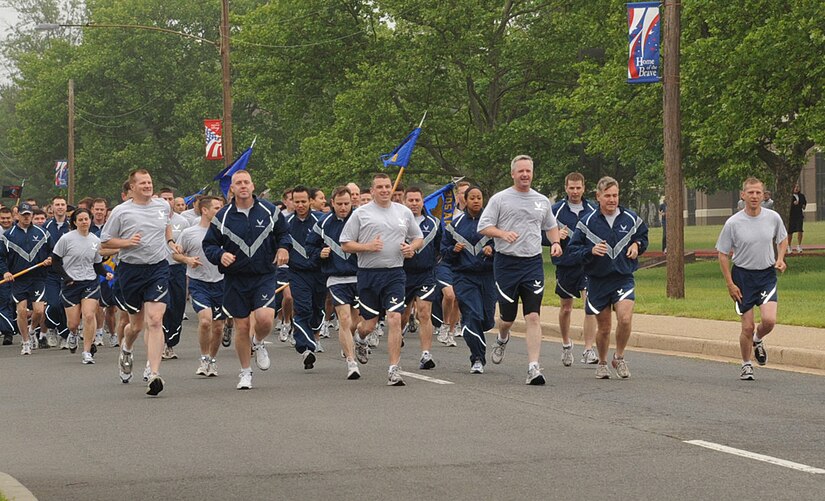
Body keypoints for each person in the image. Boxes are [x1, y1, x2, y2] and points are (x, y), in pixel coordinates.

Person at [478, 155, 562, 385]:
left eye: (528, 171)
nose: (525, 175)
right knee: (507, 318)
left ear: (532, 173)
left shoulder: (541, 200)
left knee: (533, 315)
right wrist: (502, 234)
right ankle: (503, 337)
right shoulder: (500, 199)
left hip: (532, 263)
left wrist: (555, 243)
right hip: (506, 263)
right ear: (513, 174)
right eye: (521, 171)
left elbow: (551, 226)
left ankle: (533, 367)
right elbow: (483, 226)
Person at [202, 171, 289, 390]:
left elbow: (284, 234)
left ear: (252, 185)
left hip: (264, 275)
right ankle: (245, 372)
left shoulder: (270, 211)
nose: (243, 186)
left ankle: (258, 342)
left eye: (246, 182)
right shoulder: (222, 217)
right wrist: (220, 255)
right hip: (235, 278)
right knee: (241, 327)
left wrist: (282, 248)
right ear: (232, 188)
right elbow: (209, 245)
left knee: (265, 318)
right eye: (238, 183)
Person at [100, 169, 181, 396]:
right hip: (130, 271)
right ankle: (126, 349)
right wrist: (126, 243)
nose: (148, 185)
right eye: (143, 183)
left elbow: (166, 226)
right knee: (136, 325)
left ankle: (153, 372)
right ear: (132, 187)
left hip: (158, 268)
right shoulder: (121, 212)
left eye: (150, 182)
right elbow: (105, 241)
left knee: (155, 320)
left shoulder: (162, 206)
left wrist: (171, 241)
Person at [340, 173, 424, 386]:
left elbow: (418, 237)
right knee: (369, 324)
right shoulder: (361, 213)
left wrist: (410, 248)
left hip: (395, 273)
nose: (385, 190)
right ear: (373, 190)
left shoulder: (403, 212)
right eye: (380, 187)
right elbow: (345, 243)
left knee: (395, 318)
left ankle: (394, 369)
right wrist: (367, 247)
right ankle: (360, 339)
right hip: (368, 275)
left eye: (388, 186)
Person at [566, 176, 648, 379]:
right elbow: (573, 250)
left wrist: (637, 245)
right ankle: (602, 362)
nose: (612, 200)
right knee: (604, 327)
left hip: (623, 277)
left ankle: (619, 357)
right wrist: (591, 250)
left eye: (615, 195)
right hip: (597, 280)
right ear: (598, 196)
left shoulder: (630, 218)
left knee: (625, 318)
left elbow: (642, 236)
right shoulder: (587, 222)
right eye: (608, 196)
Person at [716, 177, 787, 381]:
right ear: (743, 195)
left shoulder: (773, 217)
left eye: (758, 193)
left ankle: (758, 339)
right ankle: (746, 364)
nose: (755, 196)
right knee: (746, 326)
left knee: (769, 321)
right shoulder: (733, 222)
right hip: (743, 276)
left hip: (766, 275)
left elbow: (782, 239)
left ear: (764, 195)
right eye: (751, 193)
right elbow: (722, 254)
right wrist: (730, 283)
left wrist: (780, 259)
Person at [309, 186, 362, 379]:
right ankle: (351, 362)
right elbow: (310, 246)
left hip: (360, 276)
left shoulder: (361, 219)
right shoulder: (323, 223)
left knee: (358, 323)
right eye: (339, 204)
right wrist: (319, 254)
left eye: (346, 204)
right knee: (345, 320)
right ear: (332, 203)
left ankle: (357, 341)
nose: (343, 207)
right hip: (336, 278)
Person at [442, 186, 495, 373]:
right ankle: (477, 358)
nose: (476, 201)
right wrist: (453, 250)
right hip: (464, 277)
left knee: (486, 320)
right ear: (465, 199)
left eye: (479, 197)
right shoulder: (455, 225)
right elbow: (444, 253)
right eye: (472, 197)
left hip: (488, 276)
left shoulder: (492, 223)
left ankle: (477, 333)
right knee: (473, 315)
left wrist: (492, 251)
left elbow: (505, 246)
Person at [51, 208, 115, 364]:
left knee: (88, 315)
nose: (84, 222)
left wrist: (104, 273)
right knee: (72, 323)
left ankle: (87, 351)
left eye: (86, 219)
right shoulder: (66, 239)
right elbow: (55, 261)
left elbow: (97, 264)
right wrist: (66, 277)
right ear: (74, 222)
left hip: (89, 282)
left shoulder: (95, 240)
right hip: (71, 283)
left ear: (90, 220)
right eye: (80, 220)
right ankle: (73, 334)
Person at [550, 172, 599, 366]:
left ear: (584, 188)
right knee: (566, 307)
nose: (575, 192)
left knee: (590, 305)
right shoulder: (556, 210)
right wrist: (555, 236)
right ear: (566, 188)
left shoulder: (592, 210)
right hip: (566, 264)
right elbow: (540, 233)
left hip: (587, 264)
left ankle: (588, 349)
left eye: (578, 188)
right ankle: (565, 344)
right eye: (572, 188)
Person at [175, 196, 226, 377]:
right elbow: (176, 255)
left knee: (218, 326)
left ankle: (212, 360)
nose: (220, 211)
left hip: (221, 282)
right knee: (205, 321)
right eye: (217, 208)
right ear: (205, 210)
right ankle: (204, 358)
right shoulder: (189, 233)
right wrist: (187, 259)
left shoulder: (226, 232)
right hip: (198, 283)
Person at [0, 201, 52, 355]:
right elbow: (1, 258)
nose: (26, 217)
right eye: (23, 215)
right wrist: (5, 272)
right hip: (19, 279)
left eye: (29, 215)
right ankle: (26, 342)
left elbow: (53, 251)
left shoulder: (42, 233)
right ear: (18, 216)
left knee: (38, 311)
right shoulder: (7, 236)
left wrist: (50, 259)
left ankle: (31, 329)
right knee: (21, 311)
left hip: (38, 277)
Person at [284, 186, 326, 369]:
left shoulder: (321, 221)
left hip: (320, 272)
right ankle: (306, 348)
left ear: (310, 201)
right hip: (298, 273)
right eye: (296, 201)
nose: (300, 205)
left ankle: (315, 331)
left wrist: (325, 252)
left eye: (303, 201)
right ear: (291, 202)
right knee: (303, 309)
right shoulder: (285, 223)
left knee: (317, 310)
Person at [401, 187, 440, 370]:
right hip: (402, 274)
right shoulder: (398, 222)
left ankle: (426, 354)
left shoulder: (434, 223)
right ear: (404, 201)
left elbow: (441, 247)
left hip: (425, 275)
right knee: (402, 315)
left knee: (424, 312)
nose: (414, 204)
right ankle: (397, 336)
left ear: (422, 202)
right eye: (411, 200)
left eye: (417, 200)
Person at [158, 188, 190, 362]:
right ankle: (162, 342)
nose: (167, 202)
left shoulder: (183, 221)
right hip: (158, 268)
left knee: (177, 305)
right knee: (163, 306)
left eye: (170, 198)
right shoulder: (153, 219)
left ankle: (171, 342)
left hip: (177, 267)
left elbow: (188, 243)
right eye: (164, 198)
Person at [788, 184, 806, 254]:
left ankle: (799, 246)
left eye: (797, 187)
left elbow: (804, 206)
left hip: (799, 216)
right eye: (795, 187)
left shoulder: (801, 196)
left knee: (800, 230)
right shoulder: (789, 196)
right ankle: (789, 246)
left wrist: (802, 205)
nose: (796, 188)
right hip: (791, 217)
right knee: (790, 232)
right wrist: (793, 204)